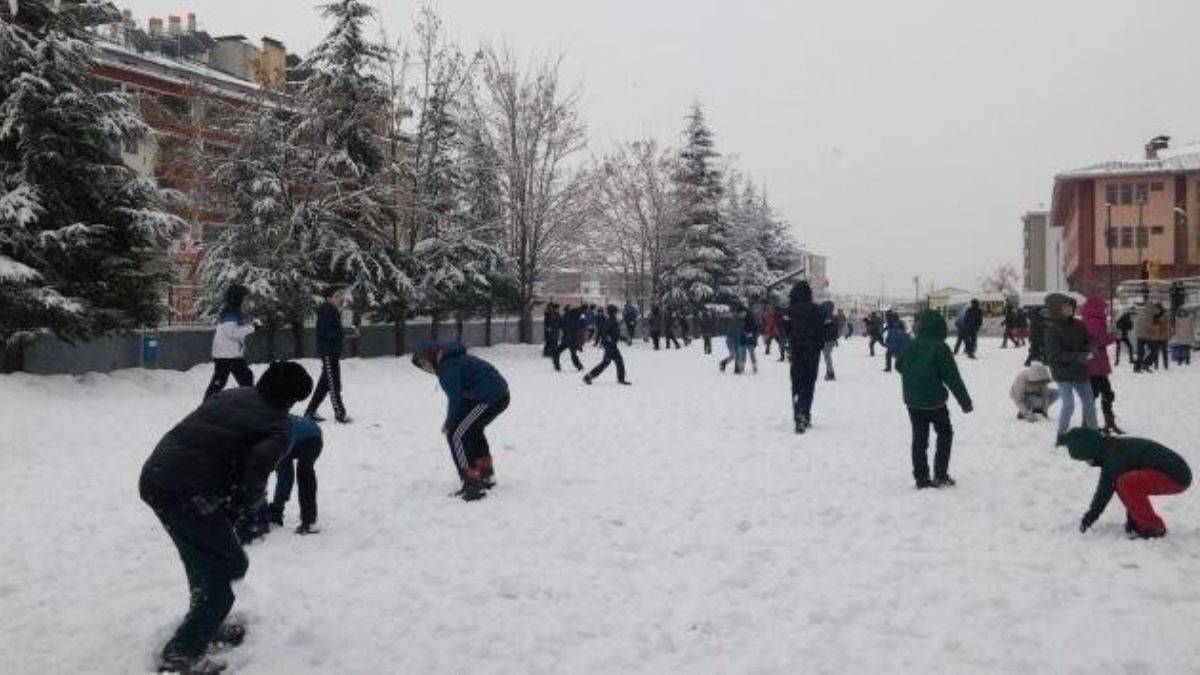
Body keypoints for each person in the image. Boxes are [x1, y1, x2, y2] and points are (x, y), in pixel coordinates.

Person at [140, 362, 313, 674]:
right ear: (293, 400)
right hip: (188, 495)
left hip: (155, 477)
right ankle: (180, 656)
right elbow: (258, 466)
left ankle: (205, 622)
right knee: (227, 567)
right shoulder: (279, 426)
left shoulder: (233, 394)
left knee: (202, 559)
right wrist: (249, 508)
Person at [413, 341, 510, 502]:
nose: (427, 368)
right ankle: (486, 475)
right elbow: (464, 396)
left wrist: (449, 423)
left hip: (489, 398)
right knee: (472, 430)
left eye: (425, 363)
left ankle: (471, 483)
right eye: (422, 366)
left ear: (431, 355)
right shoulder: (456, 360)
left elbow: (455, 399)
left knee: (456, 435)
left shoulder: (447, 367)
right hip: (500, 396)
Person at [1066, 427, 1192, 539]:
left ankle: (1153, 528)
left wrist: (1090, 518)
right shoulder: (1111, 449)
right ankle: (1141, 522)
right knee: (1125, 482)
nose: (1088, 463)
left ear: (1090, 451)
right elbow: (1111, 485)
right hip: (1173, 473)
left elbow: (1105, 491)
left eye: (1085, 459)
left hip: (1175, 476)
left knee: (1125, 483)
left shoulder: (1114, 456)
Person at [897, 310, 973, 489]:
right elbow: (952, 378)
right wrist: (965, 403)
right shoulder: (940, 347)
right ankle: (940, 474)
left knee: (919, 439)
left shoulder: (911, 345)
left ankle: (921, 478)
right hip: (935, 402)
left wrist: (915, 375)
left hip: (913, 402)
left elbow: (899, 365)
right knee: (945, 434)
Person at [1043, 293, 1097, 445]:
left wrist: (1092, 347)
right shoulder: (1052, 330)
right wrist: (1078, 356)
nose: (1070, 309)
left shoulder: (1079, 325)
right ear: (1057, 309)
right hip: (1063, 373)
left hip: (1080, 371)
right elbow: (1054, 355)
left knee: (1089, 404)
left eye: (1071, 306)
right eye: (1065, 307)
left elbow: (1088, 339)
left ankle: (1093, 434)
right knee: (1069, 405)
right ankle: (1061, 436)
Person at [269, 414, 323, 535]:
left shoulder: (271, 431)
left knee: (294, 474)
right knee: (304, 473)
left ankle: (278, 514)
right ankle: (309, 520)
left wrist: (277, 506)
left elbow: (285, 476)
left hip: (304, 439)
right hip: (315, 434)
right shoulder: (274, 415)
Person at [304, 286, 351, 424]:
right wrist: (342, 333)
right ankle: (340, 414)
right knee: (334, 385)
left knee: (325, 384)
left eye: (340, 295)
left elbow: (333, 330)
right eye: (336, 296)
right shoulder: (326, 311)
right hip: (328, 353)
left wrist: (345, 332)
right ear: (328, 298)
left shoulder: (332, 310)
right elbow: (326, 333)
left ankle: (310, 412)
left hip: (332, 352)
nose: (340, 298)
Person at [203, 284, 256, 400]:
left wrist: (251, 325)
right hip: (228, 354)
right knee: (242, 379)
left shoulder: (233, 312)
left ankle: (206, 404)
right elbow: (232, 333)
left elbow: (239, 328)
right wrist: (252, 328)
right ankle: (253, 403)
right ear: (237, 297)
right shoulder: (229, 313)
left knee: (223, 381)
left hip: (228, 353)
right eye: (243, 297)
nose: (244, 300)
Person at [1081, 296, 1125, 436]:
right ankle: (1092, 424)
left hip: (1094, 364)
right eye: (1103, 307)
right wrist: (1112, 335)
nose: (1105, 309)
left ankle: (1103, 422)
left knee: (1099, 394)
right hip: (1095, 364)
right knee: (1102, 394)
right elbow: (1100, 340)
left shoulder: (1089, 319)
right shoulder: (1095, 321)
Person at [788, 281, 824, 433]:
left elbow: (786, 330)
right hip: (813, 351)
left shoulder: (791, 311)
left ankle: (798, 414)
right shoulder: (818, 310)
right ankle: (806, 413)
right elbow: (823, 330)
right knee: (809, 383)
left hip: (796, 350)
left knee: (797, 383)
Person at [585, 305, 632, 386]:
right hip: (610, 346)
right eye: (616, 311)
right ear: (613, 312)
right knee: (619, 361)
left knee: (605, 363)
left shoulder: (612, 320)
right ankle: (621, 379)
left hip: (610, 345)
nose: (617, 313)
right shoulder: (610, 321)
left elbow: (615, 335)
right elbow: (605, 334)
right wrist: (608, 340)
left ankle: (589, 376)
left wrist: (623, 339)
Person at [553, 305, 585, 372]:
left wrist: (557, 321)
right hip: (573, 339)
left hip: (567, 338)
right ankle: (579, 366)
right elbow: (581, 325)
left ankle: (557, 366)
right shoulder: (576, 316)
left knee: (557, 352)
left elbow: (561, 326)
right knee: (573, 354)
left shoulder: (566, 317)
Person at [719, 309, 746, 374]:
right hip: (730, 340)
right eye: (742, 313)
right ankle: (723, 363)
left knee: (737, 355)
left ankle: (736, 369)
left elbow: (742, 331)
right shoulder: (734, 321)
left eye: (744, 314)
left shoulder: (742, 321)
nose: (743, 315)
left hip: (737, 340)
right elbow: (732, 331)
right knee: (734, 355)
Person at [820, 300, 838, 381]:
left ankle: (830, 373)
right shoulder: (831, 317)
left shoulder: (827, 317)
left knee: (827, 356)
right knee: (827, 356)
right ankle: (829, 372)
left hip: (828, 340)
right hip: (828, 339)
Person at [742, 309, 760, 374]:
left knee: (751, 353)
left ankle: (754, 366)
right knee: (744, 353)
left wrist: (752, 334)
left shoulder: (751, 319)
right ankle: (743, 366)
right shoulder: (742, 319)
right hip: (744, 339)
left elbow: (756, 329)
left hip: (750, 339)